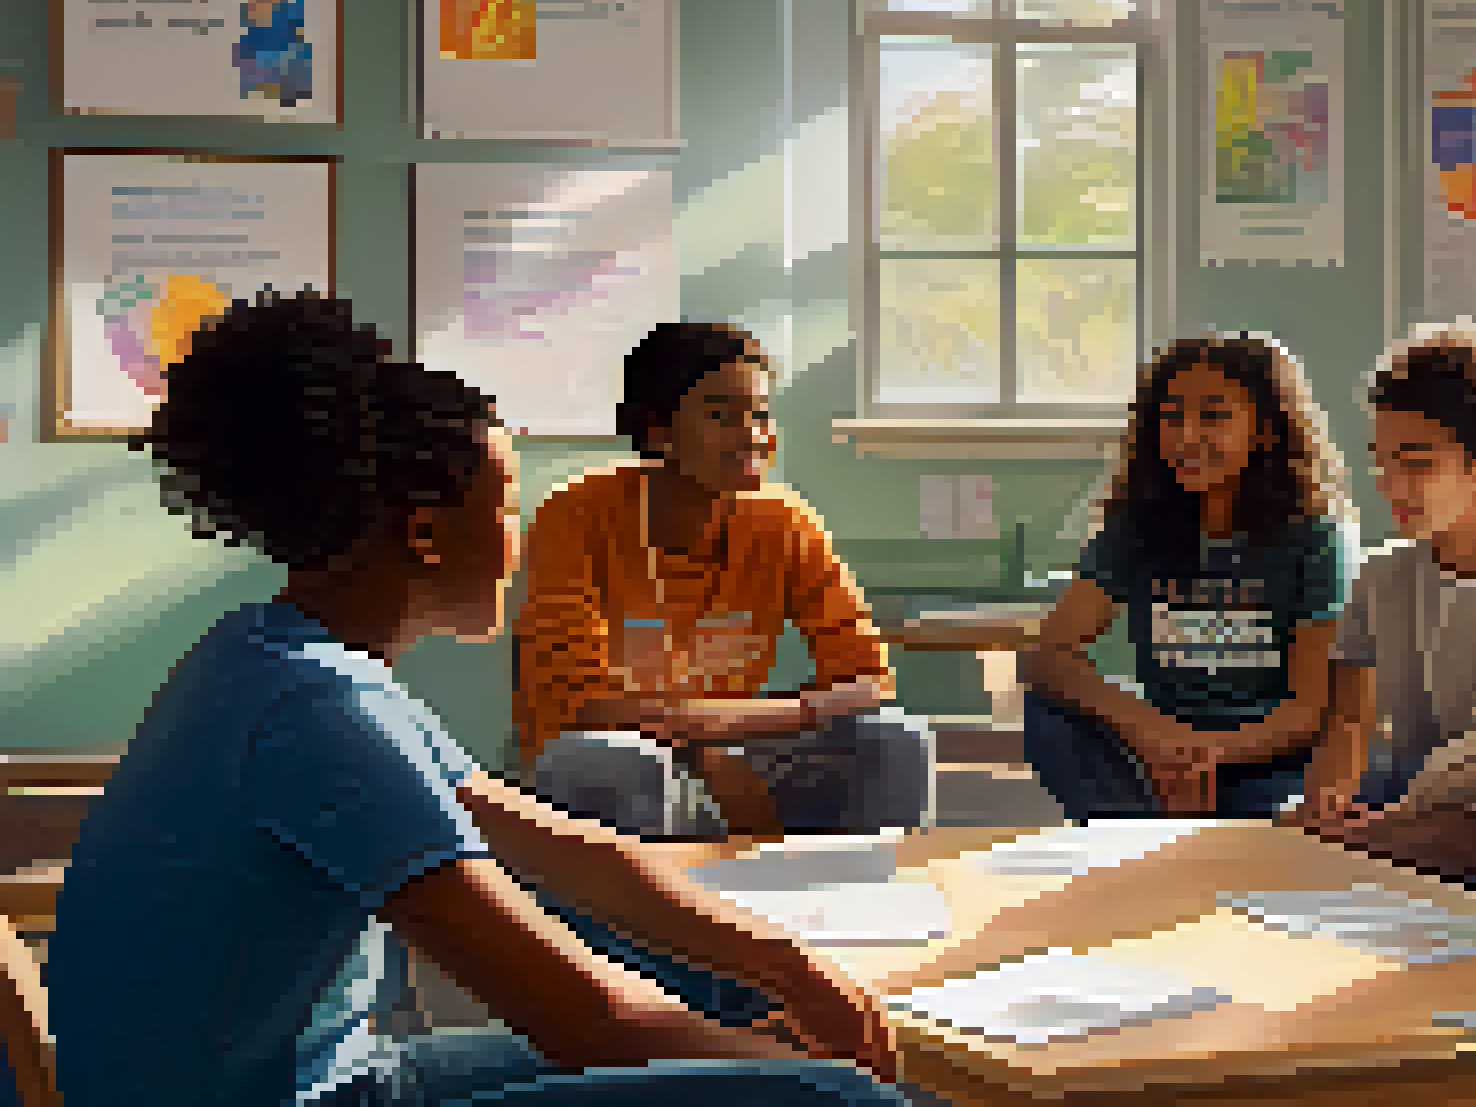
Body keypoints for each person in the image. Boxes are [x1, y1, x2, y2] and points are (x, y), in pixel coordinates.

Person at [46, 292, 905, 1106]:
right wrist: (785, 1060)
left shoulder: (288, 656)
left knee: (725, 1019)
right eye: (508, 509)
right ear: (424, 533)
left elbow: (572, 850)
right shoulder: (320, 708)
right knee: (834, 1095)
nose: (521, 539)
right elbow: (586, 1020)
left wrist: (791, 964)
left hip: (329, 1079)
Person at [514, 321, 931, 843]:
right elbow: (582, 706)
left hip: (735, 746)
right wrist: (702, 737)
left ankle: (873, 909)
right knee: (613, 761)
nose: (753, 435)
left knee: (895, 738)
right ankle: (643, 922)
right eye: (722, 415)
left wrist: (727, 731)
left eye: (760, 414)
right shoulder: (577, 514)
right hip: (614, 752)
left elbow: (870, 681)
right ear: (658, 428)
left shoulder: (786, 523)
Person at [1293, 319, 1476, 920]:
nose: (1392, 484)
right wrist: (1327, 797)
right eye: (1382, 462)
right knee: (1318, 811)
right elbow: (1349, 720)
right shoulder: (1379, 577)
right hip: (1405, 797)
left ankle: (1360, 847)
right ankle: (1359, 840)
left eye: (1417, 464)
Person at [1023, 333, 1359, 821]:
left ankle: (1189, 821)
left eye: (1214, 416)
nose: (1187, 436)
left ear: (1265, 429)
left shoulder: (1317, 536)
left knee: (1283, 805)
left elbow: (1307, 712)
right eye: (1172, 415)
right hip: (1157, 747)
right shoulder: (1136, 527)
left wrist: (1208, 755)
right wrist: (1154, 736)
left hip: (1268, 759)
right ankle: (1148, 823)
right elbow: (1050, 657)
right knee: (1049, 716)